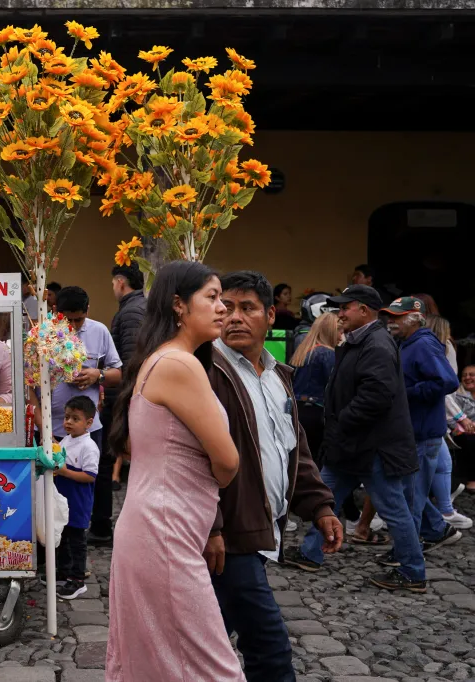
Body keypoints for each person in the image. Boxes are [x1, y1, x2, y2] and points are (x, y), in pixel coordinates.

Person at [106, 261, 243, 682]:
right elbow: (228, 460)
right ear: (179, 306)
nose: (224, 309)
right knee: (212, 666)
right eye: (213, 297)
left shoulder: (163, 359)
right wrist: (215, 480)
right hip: (164, 531)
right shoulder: (180, 365)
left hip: (157, 526)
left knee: (161, 662)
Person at [206, 271, 341, 682]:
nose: (234, 317)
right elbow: (191, 458)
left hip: (264, 529)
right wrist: (212, 524)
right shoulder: (205, 372)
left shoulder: (279, 376)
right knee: (270, 648)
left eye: (246, 308)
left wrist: (319, 505)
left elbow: (293, 450)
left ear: (269, 316)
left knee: (205, 636)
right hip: (231, 534)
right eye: (226, 307)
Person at [283, 285, 427, 592]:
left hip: (370, 447)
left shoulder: (375, 344)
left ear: (364, 310)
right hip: (351, 444)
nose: (339, 313)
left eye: (345, 307)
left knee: (394, 508)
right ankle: (310, 553)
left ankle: (414, 571)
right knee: (326, 495)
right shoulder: (363, 341)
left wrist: (341, 423)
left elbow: (375, 397)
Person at [381, 297, 464, 544]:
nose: (391, 322)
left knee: (412, 498)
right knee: (410, 493)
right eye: (390, 316)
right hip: (413, 432)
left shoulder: (424, 344)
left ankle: (408, 557)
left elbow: (448, 381)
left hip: (423, 432)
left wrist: (408, 393)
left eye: (397, 317)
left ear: (413, 319)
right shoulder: (407, 342)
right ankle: (435, 531)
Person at [95, 265, 145, 543]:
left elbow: (130, 363)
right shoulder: (136, 307)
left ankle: (103, 525)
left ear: (120, 282)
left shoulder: (131, 312)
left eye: (113, 283)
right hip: (121, 395)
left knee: (106, 460)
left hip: (121, 396)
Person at [51, 287, 122, 451]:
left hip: (88, 430)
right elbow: (30, 387)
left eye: (79, 320)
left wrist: (98, 375)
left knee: (86, 476)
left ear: (87, 310)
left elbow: (118, 374)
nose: (74, 326)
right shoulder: (44, 335)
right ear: (55, 311)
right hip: (51, 429)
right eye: (68, 321)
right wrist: (42, 428)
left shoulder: (99, 331)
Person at [426, 314, 472, 527]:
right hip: (428, 417)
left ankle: (444, 510)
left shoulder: (419, 348)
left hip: (431, 416)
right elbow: (446, 388)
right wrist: (460, 418)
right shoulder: (440, 349)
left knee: (443, 463)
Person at [53, 396, 99, 599]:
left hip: (78, 502)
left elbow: (89, 476)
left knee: (76, 541)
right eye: (66, 417)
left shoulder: (88, 447)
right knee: (62, 537)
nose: (68, 422)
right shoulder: (66, 440)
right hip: (63, 500)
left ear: (89, 422)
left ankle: (78, 579)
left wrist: (64, 472)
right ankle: (64, 572)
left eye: (75, 418)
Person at [290, 312, 340, 469]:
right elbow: (335, 388)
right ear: (331, 331)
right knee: (316, 463)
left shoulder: (304, 350)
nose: (341, 335)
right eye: (339, 330)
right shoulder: (327, 353)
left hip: (298, 411)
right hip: (317, 413)